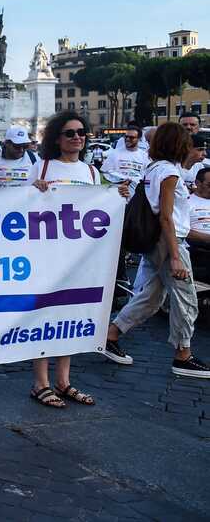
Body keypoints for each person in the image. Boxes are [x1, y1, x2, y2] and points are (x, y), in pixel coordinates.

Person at [103, 122, 210, 378]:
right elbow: (166, 217)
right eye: (196, 147)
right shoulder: (169, 174)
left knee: (151, 298)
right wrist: (175, 256)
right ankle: (183, 354)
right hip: (168, 242)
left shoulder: (155, 168)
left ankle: (111, 334)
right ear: (180, 146)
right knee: (186, 300)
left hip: (158, 241)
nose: (200, 153)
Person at [26, 111, 106, 408]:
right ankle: (41, 382)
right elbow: (18, 206)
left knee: (69, 315)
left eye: (82, 132)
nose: (78, 137)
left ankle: (63, 380)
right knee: (44, 315)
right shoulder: (42, 167)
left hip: (79, 256)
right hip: (46, 254)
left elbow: (100, 209)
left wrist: (117, 195)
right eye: (70, 133)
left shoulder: (92, 173)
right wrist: (34, 192)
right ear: (57, 138)